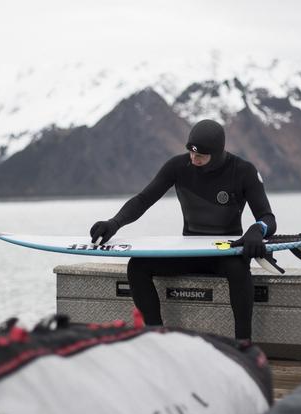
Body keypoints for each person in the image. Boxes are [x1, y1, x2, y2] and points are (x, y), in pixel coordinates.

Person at [89, 119, 276, 340]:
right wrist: (115, 222)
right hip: (190, 250)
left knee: (238, 270)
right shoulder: (177, 167)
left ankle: (243, 343)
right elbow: (143, 200)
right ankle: (155, 336)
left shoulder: (243, 171)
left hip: (226, 252)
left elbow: (268, 217)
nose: (194, 159)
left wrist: (258, 229)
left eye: (201, 156)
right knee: (137, 266)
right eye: (191, 153)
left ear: (217, 154)